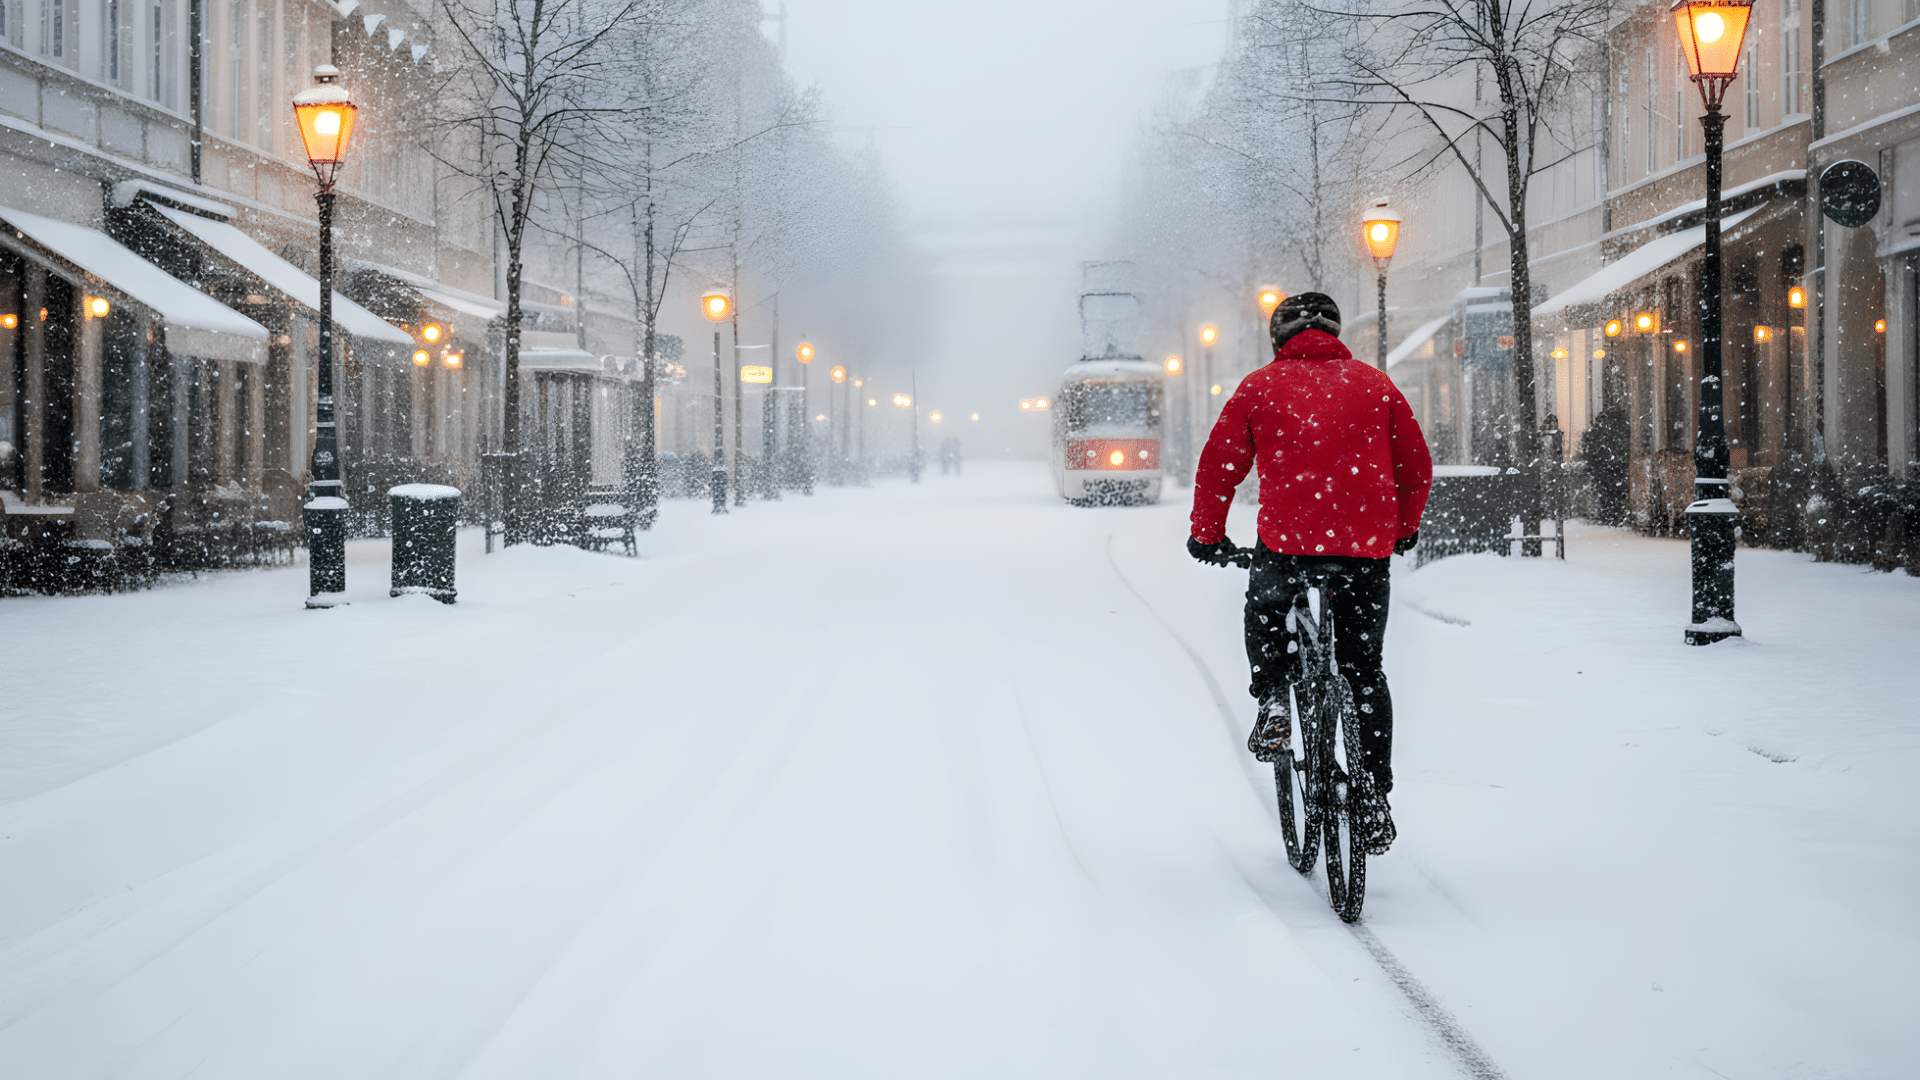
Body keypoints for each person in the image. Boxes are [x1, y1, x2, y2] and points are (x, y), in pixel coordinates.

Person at [1186, 292, 1432, 854]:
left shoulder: (1259, 387)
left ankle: (1274, 699)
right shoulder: (1376, 385)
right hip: (1364, 551)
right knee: (1364, 671)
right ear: (1337, 333)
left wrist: (1207, 534)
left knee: (1268, 607)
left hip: (1289, 543)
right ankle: (1373, 793)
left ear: (1279, 339)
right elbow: (1415, 465)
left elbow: (1219, 466)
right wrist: (1403, 526)